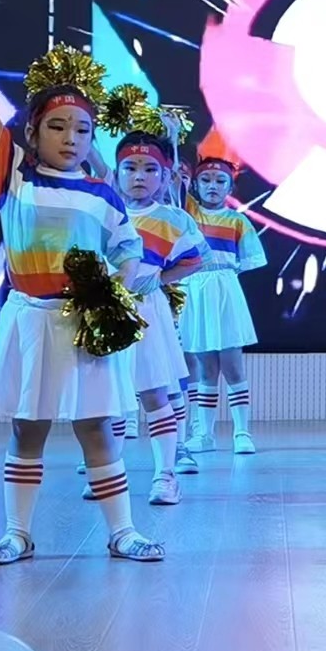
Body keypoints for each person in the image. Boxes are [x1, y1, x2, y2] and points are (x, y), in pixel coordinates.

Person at [0, 44, 162, 563]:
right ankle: (17, 533)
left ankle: (123, 532)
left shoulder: (103, 193)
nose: (70, 138)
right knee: (27, 426)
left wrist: (112, 294)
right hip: (30, 320)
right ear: (32, 132)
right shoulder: (13, 175)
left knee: (96, 426)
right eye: (57, 126)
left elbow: (128, 250)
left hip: (85, 326)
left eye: (82, 129)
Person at [111, 129, 205, 505]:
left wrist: (158, 280)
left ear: (165, 176)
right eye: (130, 167)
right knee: (109, 395)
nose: (139, 176)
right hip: (106, 309)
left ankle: (165, 475)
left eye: (150, 169)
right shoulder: (103, 210)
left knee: (153, 391)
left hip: (147, 310)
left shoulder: (173, 219)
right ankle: (107, 473)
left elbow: (195, 259)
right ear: (117, 172)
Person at [181, 157, 267, 454]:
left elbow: (250, 259)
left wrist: (223, 278)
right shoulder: (188, 215)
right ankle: (205, 434)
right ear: (195, 185)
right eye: (206, 180)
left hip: (226, 290)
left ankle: (242, 432)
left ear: (230, 188)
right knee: (206, 367)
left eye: (220, 182)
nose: (213, 186)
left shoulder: (237, 221)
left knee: (232, 365)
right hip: (195, 289)